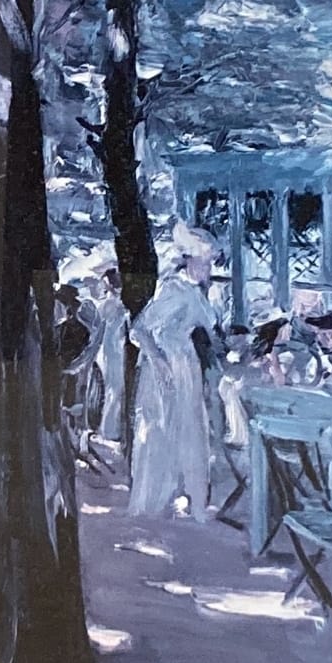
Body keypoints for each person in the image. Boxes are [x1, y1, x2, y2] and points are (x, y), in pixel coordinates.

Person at [128, 221, 218, 520]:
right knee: (161, 429)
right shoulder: (173, 288)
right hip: (165, 368)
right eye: (205, 262)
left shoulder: (196, 292)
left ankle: (188, 497)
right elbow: (139, 330)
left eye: (210, 262)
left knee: (190, 429)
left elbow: (209, 328)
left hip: (187, 366)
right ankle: (154, 502)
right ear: (190, 260)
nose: (209, 268)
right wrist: (159, 361)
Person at [94, 264, 130, 432]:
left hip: (115, 349)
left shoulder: (113, 304)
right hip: (112, 351)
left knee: (115, 389)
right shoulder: (110, 305)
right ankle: (110, 430)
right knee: (114, 389)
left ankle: (113, 429)